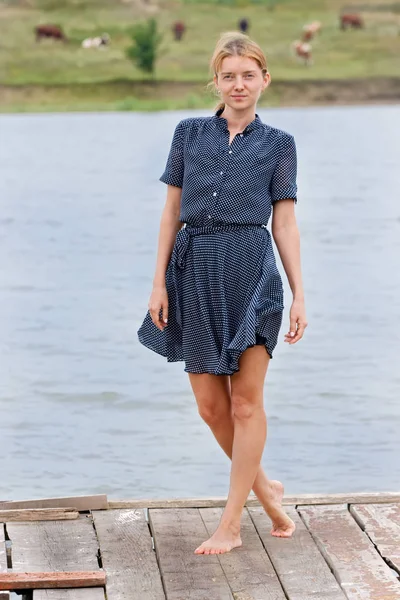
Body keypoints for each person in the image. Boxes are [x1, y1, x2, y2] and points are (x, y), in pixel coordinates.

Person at [137, 31, 308, 555]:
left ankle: (232, 522)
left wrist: (300, 294)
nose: (238, 84)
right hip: (193, 271)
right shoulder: (188, 133)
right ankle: (268, 494)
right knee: (211, 407)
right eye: (228, 76)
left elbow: (285, 221)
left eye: (248, 75)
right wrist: (158, 280)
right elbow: (170, 212)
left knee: (246, 406)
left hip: (251, 272)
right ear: (216, 81)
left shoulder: (280, 144)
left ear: (264, 80)